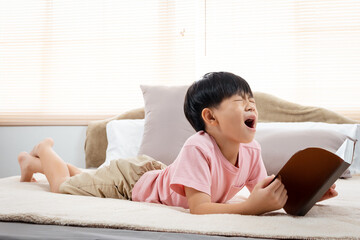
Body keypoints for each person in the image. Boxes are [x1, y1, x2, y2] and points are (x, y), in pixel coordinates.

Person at [18, 71, 338, 215]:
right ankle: (45, 150)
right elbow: (199, 209)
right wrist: (248, 209)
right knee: (64, 188)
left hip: (154, 174)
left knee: (88, 180)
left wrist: (307, 192)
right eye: (240, 101)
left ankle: (32, 165)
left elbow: (263, 188)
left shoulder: (252, 150)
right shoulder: (198, 148)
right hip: (131, 180)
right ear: (210, 119)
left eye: (251, 100)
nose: (251, 106)